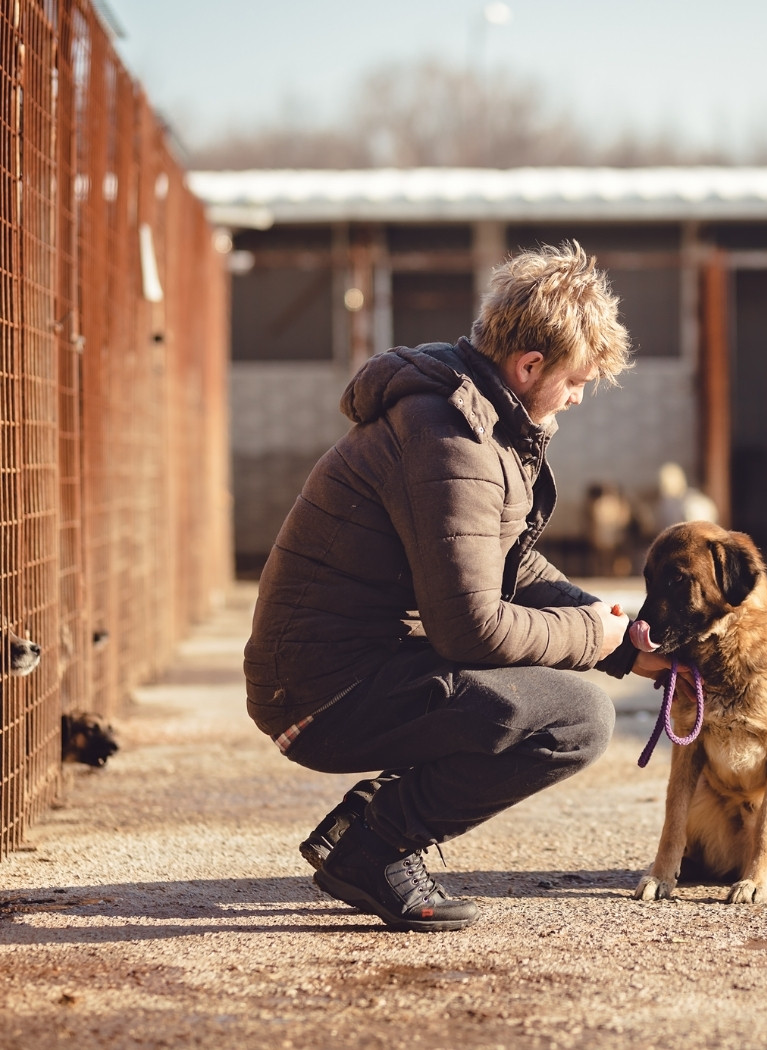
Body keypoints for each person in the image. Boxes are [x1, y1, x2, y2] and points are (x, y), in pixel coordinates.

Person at [243, 242, 665, 932]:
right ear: (529, 366)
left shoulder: (471, 416)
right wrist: (594, 639)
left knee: (560, 695)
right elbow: (472, 626)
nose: (578, 396)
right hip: (324, 695)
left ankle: (369, 826)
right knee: (578, 719)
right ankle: (376, 845)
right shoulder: (452, 438)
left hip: (346, 671)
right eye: (575, 380)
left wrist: (614, 636)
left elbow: (507, 563)